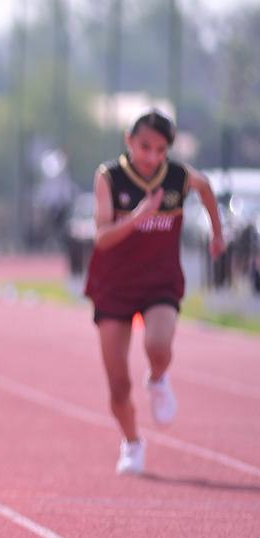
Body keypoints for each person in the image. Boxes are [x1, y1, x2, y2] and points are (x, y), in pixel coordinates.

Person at [83, 111, 226, 475]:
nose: (151, 156)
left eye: (160, 150)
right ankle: (132, 443)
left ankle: (158, 378)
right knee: (118, 385)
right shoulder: (110, 178)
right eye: (144, 147)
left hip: (159, 281)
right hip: (113, 284)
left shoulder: (177, 177)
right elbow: (101, 238)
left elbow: (206, 187)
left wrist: (217, 232)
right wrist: (137, 217)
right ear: (128, 141)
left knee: (158, 346)